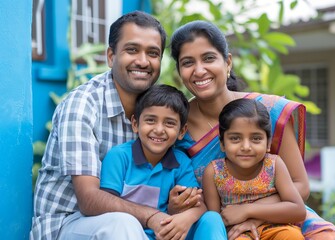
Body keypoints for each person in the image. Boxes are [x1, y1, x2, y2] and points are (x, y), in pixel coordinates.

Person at [168, 20, 335, 240]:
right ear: (179, 71)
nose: (199, 70)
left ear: (228, 62)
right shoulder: (174, 124)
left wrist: (251, 213)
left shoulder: (265, 111)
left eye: (208, 58)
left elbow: (300, 186)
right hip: (216, 227)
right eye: (187, 62)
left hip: (280, 216)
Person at [31, 11, 168, 239]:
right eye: (132, 50)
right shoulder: (83, 105)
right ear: (111, 56)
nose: (143, 61)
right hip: (67, 223)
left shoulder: (156, 109)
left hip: (132, 224)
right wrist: (150, 215)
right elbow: (88, 200)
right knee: (121, 225)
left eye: (153, 53)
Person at [100, 84, 227, 240]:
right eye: (151, 120)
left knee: (212, 218)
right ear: (135, 124)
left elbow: (199, 205)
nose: (159, 129)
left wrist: (185, 218)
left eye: (169, 123)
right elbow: (106, 207)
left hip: (169, 233)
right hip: (128, 234)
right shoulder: (119, 156)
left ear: (182, 131)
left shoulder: (180, 162)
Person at [203, 98, 306, 240]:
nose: (246, 147)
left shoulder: (274, 165)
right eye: (235, 138)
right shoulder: (214, 172)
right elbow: (215, 222)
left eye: (256, 138)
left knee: (292, 236)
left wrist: (248, 210)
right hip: (238, 233)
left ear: (268, 143)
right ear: (222, 143)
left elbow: (298, 210)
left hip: (274, 226)